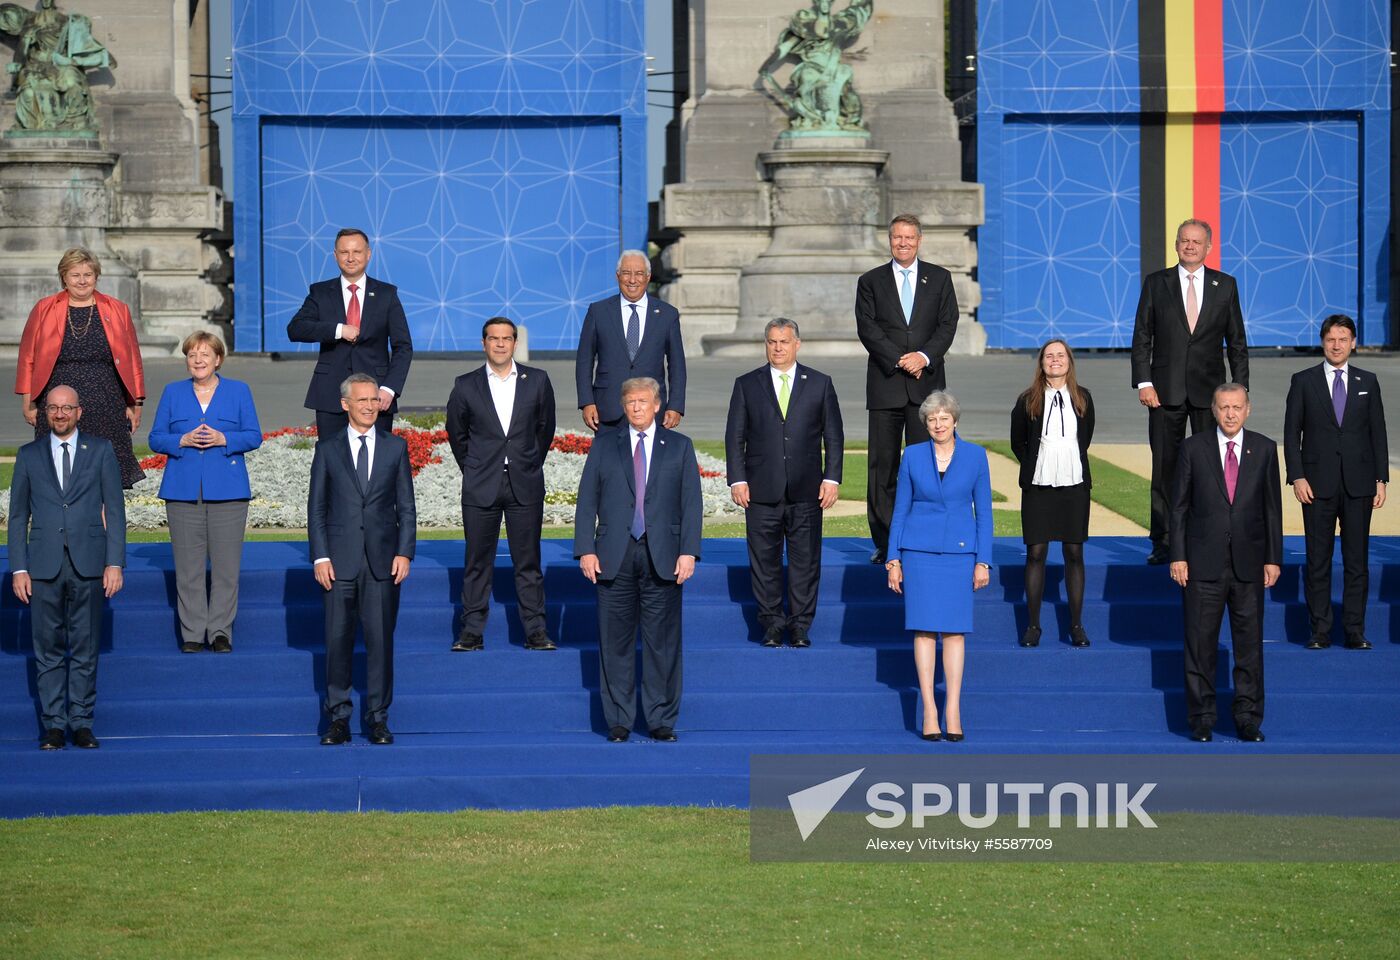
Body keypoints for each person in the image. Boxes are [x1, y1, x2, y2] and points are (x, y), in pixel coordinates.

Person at [575, 377, 702, 742]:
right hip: (613, 555)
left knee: (662, 644)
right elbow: (587, 500)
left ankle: (660, 719)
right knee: (614, 642)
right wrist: (585, 548)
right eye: (629, 401)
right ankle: (619, 719)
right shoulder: (603, 446)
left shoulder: (679, 446)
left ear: (657, 404)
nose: (636, 408)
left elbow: (692, 503)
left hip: (663, 556)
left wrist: (688, 551)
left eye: (643, 401)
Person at [7, 385, 126, 750]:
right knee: (48, 650)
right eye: (53, 408)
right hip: (42, 568)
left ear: (79, 412)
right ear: (46, 413)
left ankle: (82, 723)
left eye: (66, 408)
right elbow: (17, 517)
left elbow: (116, 512)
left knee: (86, 648)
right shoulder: (28, 455)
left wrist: (115, 562)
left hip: (89, 564)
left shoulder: (102, 451)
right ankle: (55, 725)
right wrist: (18, 569)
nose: (59, 414)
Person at [1130, 218, 1249, 565]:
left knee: (1210, 468)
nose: (1190, 246)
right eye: (1185, 240)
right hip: (1163, 394)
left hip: (1211, 396)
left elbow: (1237, 344)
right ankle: (1164, 541)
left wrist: (1239, 392)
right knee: (1164, 469)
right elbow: (1141, 337)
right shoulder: (1157, 283)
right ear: (1176, 244)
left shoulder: (1225, 285)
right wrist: (1144, 382)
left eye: (1197, 241)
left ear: (1208, 247)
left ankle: (1207, 538)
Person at [307, 374, 416, 746]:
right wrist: (320, 556)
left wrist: (404, 552)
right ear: (345, 404)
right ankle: (338, 718)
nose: (370, 406)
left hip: (384, 563)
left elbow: (407, 508)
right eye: (363, 400)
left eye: (374, 400)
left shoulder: (395, 448)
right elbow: (317, 509)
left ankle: (378, 718)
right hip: (339, 563)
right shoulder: (327, 449)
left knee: (380, 643)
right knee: (337, 642)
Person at [1169, 383, 1281, 743]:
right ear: (1214, 411)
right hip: (1202, 564)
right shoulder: (1193, 448)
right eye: (1223, 407)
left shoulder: (1264, 449)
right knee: (1200, 644)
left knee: (1249, 646)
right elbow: (1180, 508)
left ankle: (1247, 717)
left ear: (1248, 409)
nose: (1230, 413)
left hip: (1249, 564)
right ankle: (1202, 717)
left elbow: (1272, 510)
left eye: (1236, 407)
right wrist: (1178, 555)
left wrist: (1273, 559)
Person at [724, 318, 843, 648]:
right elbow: (735, 437)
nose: (778, 348)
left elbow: (833, 435)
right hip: (761, 490)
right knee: (764, 561)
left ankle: (800, 624)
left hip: (807, 489)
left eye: (784, 342)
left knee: (805, 561)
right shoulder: (747, 384)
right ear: (765, 344)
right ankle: (773, 623)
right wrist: (738, 479)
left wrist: (831, 478)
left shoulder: (819, 383)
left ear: (797, 344)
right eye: (772, 342)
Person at [445, 317, 558, 652]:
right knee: (477, 561)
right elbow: (457, 434)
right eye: (493, 339)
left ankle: (536, 631)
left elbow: (544, 429)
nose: (499, 344)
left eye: (506, 339)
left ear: (514, 342)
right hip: (481, 484)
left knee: (528, 562)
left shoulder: (537, 380)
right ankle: (471, 632)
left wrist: (526, 462)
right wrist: (476, 467)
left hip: (524, 482)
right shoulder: (465, 384)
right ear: (483, 343)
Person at [885, 392, 992, 743]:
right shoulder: (913, 456)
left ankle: (953, 709)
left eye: (944, 418)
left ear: (955, 421)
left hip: (961, 554)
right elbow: (900, 509)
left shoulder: (976, 456)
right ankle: (930, 708)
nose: (939, 424)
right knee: (925, 630)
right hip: (918, 553)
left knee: (955, 632)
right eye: (932, 419)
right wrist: (893, 559)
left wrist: (983, 561)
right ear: (926, 424)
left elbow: (985, 514)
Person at [147, 332, 263, 653]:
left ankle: (221, 631)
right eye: (192, 355)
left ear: (218, 360)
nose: (198, 360)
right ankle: (192, 633)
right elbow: (156, 438)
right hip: (183, 490)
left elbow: (254, 435)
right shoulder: (173, 393)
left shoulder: (239, 391)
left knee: (226, 567)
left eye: (205, 355)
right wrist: (179, 441)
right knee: (188, 568)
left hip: (228, 489)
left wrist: (225, 438)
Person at [856, 213, 959, 564]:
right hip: (886, 384)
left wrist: (924, 356)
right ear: (889, 240)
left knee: (926, 467)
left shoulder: (941, 278)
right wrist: (901, 359)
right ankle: (886, 543)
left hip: (926, 389)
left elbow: (948, 325)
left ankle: (922, 536)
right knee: (882, 467)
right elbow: (868, 328)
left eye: (909, 238)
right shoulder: (870, 281)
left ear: (919, 240)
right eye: (897, 237)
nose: (903, 243)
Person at [1283, 315, 1388, 651]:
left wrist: (1380, 478)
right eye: (1331, 339)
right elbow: (1291, 433)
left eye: (1344, 339)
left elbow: (1378, 433)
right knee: (1318, 560)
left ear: (1353, 342)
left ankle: (1354, 630)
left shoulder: (1368, 381)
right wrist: (1297, 475)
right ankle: (1320, 631)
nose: (1337, 345)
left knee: (1357, 560)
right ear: (1323, 342)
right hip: (1316, 485)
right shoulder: (1303, 380)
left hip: (1359, 484)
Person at [16, 247, 145, 488]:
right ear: (64, 277)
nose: (82, 280)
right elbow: (27, 358)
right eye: (75, 275)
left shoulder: (117, 309)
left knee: (106, 477)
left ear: (96, 276)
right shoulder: (44, 308)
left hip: (106, 402)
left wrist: (135, 403)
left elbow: (133, 359)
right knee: (58, 473)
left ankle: (104, 525)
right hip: (57, 403)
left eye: (88, 274)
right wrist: (28, 402)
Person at [1010, 339, 1096, 648]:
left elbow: (1084, 439)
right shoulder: (1027, 400)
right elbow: (1018, 442)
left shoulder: (1083, 398)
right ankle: (1033, 625)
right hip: (1038, 485)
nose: (1055, 360)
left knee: (1074, 553)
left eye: (1060, 356)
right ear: (1041, 362)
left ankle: (1076, 625)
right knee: (1036, 554)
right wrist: (1040, 465)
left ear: (1070, 362)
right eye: (1049, 356)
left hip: (1073, 485)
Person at [286, 228, 413, 436]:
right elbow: (296, 329)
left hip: (376, 396)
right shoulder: (320, 292)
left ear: (368, 254)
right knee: (332, 460)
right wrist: (338, 330)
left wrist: (389, 388)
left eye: (357, 252)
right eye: (344, 252)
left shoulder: (386, 294)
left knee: (376, 461)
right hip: (331, 394)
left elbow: (403, 347)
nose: (351, 258)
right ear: (335, 255)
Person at [574, 250, 686, 432]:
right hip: (608, 410)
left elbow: (677, 365)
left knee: (648, 461)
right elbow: (584, 360)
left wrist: (675, 405)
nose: (632, 280)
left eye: (639, 273)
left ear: (648, 277)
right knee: (610, 461)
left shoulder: (667, 314)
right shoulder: (599, 311)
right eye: (626, 273)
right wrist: (587, 402)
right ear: (618, 275)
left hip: (652, 410)